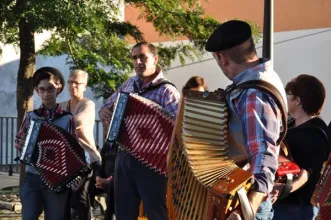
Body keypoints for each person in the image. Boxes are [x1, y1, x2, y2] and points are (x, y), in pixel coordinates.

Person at [205, 20, 287, 220]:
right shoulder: (266, 76)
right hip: (241, 197)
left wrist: (246, 209)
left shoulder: (253, 94)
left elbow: (263, 154)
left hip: (244, 203)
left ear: (222, 58)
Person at [99, 42, 180, 220]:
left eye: (143, 57)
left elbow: (178, 130)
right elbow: (107, 105)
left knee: (155, 212)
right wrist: (104, 111)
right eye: (134, 58)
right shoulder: (129, 84)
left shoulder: (167, 91)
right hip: (124, 157)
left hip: (152, 162)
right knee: (123, 212)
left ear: (155, 59)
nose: (138, 62)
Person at [15, 67, 74, 220]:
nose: (47, 93)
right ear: (37, 91)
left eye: (50, 89)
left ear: (58, 87)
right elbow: (18, 143)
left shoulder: (68, 118)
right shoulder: (30, 117)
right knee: (28, 217)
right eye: (42, 89)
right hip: (33, 176)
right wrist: (22, 145)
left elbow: (73, 149)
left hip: (57, 179)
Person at [271, 74, 331, 220]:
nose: (285, 98)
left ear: (297, 100)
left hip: (296, 207)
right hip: (280, 201)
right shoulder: (290, 123)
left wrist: (286, 188)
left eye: (288, 95)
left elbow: (308, 172)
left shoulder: (316, 132)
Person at [59, 69, 102, 220]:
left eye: (77, 83)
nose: (73, 86)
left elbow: (78, 122)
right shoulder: (62, 105)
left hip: (86, 157)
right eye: (70, 82)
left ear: (85, 86)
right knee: (62, 197)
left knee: (80, 196)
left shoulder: (87, 104)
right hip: (66, 158)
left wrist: (55, 124)